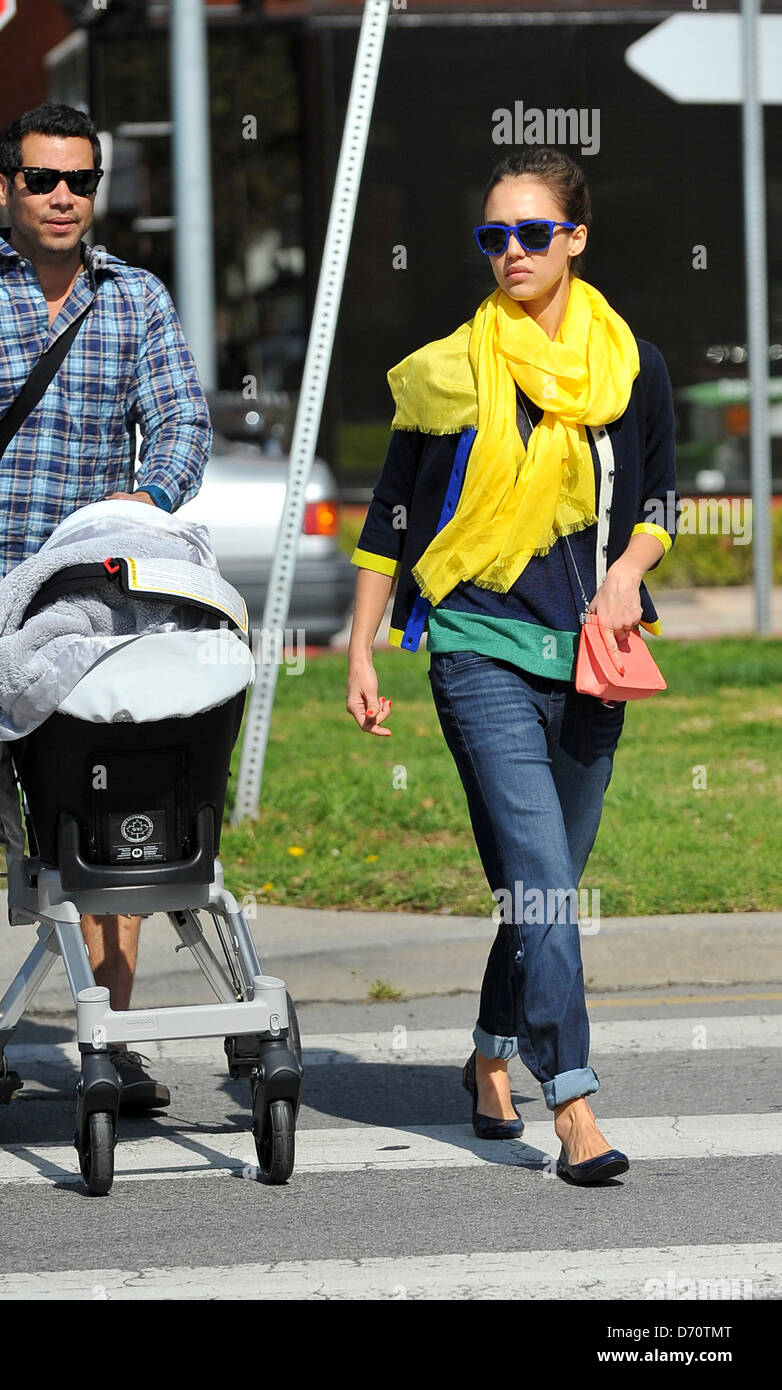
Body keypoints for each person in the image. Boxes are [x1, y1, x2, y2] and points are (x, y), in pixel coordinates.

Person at [0, 102, 212, 1112]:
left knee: (115, 826)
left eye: (82, 181)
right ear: (5, 188)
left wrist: (147, 504)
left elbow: (183, 423)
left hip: (93, 603)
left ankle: (111, 1042)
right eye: (45, 180)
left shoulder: (136, 297)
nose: (65, 198)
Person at [346, 147, 678, 1185]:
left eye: (533, 233)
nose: (512, 253)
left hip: (591, 656)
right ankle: (572, 1097)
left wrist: (629, 567)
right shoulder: (448, 372)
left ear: (575, 237)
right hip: (476, 645)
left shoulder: (632, 366)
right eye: (495, 236)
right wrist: (359, 646)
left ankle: (489, 1055)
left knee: (545, 885)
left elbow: (660, 502)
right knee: (541, 876)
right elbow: (388, 524)